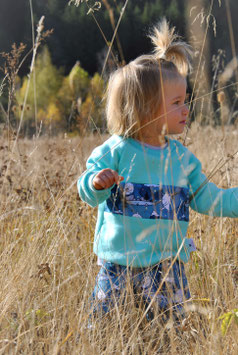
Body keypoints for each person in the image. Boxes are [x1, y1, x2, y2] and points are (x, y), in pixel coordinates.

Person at [77, 19, 238, 325]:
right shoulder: (116, 151)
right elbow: (86, 188)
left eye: (186, 100)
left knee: (172, 329)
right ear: (145, 108)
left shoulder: (182, 159)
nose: (186, 109)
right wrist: (97, 183)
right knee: (102, 324)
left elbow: (210, 199)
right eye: (176, 102)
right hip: (116, 264)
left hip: (167, 265)